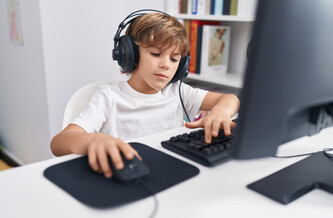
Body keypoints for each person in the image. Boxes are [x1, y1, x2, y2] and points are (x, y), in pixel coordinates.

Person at [50, 12, 240, 179]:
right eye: (156, 53)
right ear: (130, 54)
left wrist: (221, 112)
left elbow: (231, 99)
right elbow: (59, 143)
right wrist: (92, 140)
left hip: (170, 171)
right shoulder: (109, 97)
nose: (166, 64)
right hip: (129, 174)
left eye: (174, 59)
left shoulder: (178, 92)